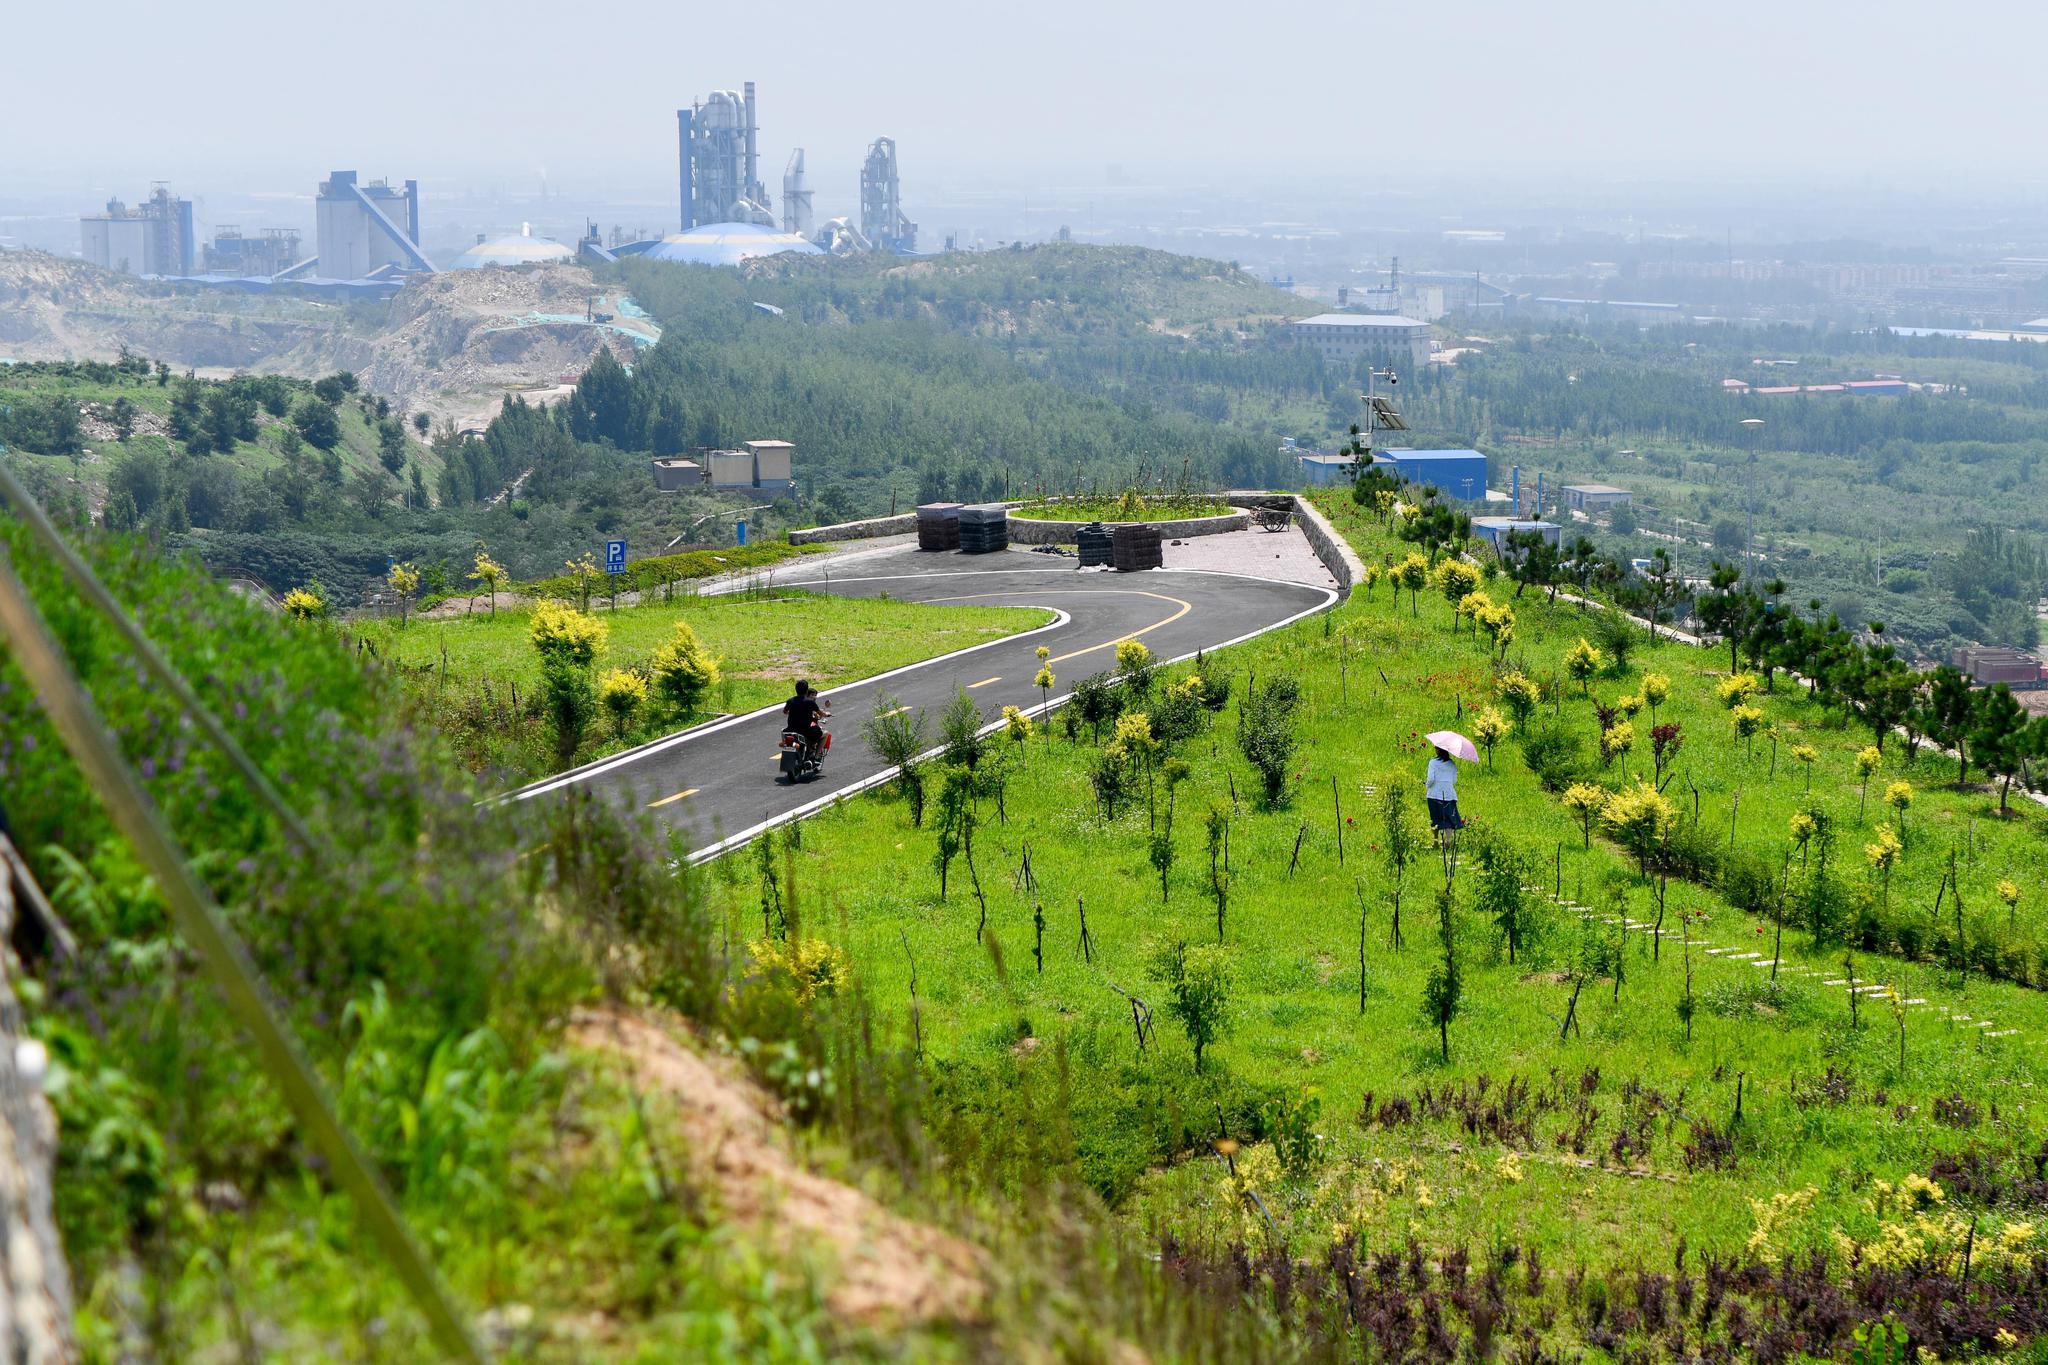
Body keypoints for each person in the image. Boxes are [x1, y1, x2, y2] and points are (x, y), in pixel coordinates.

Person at [1425, 745, 1464, 837]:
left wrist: (1426, 785)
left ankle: (1435, 842)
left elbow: (1431, 779)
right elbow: (1454, 780)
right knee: (1449, 818)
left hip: (1434, 795)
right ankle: (1448, 840)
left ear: (1438, 750)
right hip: (1449, 795)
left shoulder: (1433, 762)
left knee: (1435, 818)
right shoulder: (1452, 764)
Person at [782, 679, 829, 751]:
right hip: (806, 731)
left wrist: (794, 713)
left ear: (796, 689)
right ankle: (816, 757)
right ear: (806, 691)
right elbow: (821, 713)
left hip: (791, 729)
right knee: (825, 734)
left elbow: (785, 712)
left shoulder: (790, 701)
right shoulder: (810, 702)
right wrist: (826, 714)